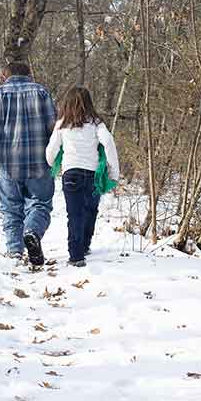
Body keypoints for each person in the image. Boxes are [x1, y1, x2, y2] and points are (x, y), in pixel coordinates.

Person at [0, 63, 57, 267]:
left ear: (4, 76)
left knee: (10, 208)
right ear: (30, 74)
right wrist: (60, 153)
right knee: (40, 203)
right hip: (39, 162)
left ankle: (14, 251)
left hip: (8, 164)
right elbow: (54, 126)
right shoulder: (42, 93)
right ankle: (32, 231)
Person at [46, 86, 120, 267]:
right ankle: (85, 244)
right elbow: (108, 142)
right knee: (90, 211)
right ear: (89, 103)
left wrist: (50, 162)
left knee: (75, 214)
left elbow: (51, 149)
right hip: (93, 175)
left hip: (71, 173)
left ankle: (76, 255)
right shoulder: (96, 123)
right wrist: (113, 171)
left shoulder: (62, 124)